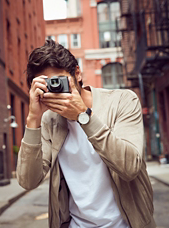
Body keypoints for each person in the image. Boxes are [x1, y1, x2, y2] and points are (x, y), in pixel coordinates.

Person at [16, 40, 155, 228]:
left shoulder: (122, 101)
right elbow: (28, 181)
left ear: (77, 74)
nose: (55, 90)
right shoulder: (49, 120)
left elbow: (129, 167)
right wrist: (33, 119)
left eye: (58, 81)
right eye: (47, 86)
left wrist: (84, 117)